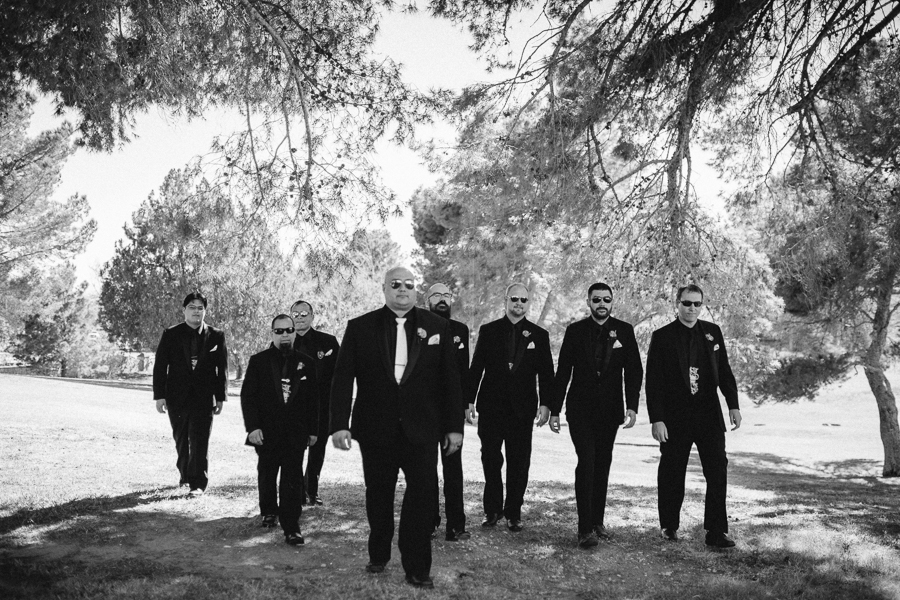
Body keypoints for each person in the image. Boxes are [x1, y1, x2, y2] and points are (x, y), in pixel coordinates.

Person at [330, 267, 464, 589]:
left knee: (423, 496)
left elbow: (450, 380)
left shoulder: (438, 327)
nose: (403, 289)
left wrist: (454, 427)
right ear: (384, 289)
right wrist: (339, 424)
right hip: (376, 428)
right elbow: (343, 378)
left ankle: (417, 567)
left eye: (408, 285)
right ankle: (378, 552)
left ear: (415, 290)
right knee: (378, 494)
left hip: (423, 429)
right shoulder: (360, 327)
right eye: (396, 284)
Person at [645, 284, 741, 548]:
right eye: (687, 303)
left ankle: (716, 531)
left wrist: (733, 405)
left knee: (717, 469)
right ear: (677, 303)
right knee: (672, 471)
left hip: (708, 414)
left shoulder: (713, 333)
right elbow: (653, 381)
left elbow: (724, 371)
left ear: (702, 305)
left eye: (697, 304)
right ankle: (669, 526)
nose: (692, 308)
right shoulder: (662, 336)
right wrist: (657, 419)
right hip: (675, 416)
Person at [551, 283, 643, 548]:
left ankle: (597, 522)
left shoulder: (624, 330)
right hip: (580, 410)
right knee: (587, 463)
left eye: (606, 299)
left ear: (612, 302)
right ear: (588, 302)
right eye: (597, 299)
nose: (602, 303)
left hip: (610, 411)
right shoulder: (575, 331)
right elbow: (563, 371)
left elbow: (634, 370)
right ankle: (584, 530)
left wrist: (632, 405)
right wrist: (555, 409)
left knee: (602, 464)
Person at [469, 283, 554, 532]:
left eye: (523, 300)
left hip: (522, 409)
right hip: (491, 407)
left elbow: (546, 373)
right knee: (490, 458)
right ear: (505, 300)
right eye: (514, 298)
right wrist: (469, 399)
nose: (518, 303)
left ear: (528, 303)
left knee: (519, 462)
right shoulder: (489, 331)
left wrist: (546, 404)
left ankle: (513, 512)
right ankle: (492, 510)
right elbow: (476, 367)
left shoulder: (539, 335)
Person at [240, 314, 319, 545]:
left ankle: (292, 527)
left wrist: (313, 430)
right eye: (279, 331)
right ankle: (268, 510)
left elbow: (314, 400)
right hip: (267, 432)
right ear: (272, 333)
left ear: (294, 332)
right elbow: (248, 397)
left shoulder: (307, 363)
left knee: (292, 478)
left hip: (296, 433)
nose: (285, 335)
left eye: (289, 330)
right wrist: (253, 427)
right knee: (267, 472)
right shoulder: (258, 361)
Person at [153, 292, 228, 496]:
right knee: (181, 439)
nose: (196, 311)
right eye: (192, 307)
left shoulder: (216, 336)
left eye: (200, 308)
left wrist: (220, 397)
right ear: (184, 310)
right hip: (176, 397)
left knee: (200, 440)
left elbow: (222, 369)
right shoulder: (171, 334)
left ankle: (198, 484)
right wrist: (159, 396)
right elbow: (160, 367)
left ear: (205, 311)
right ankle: (185, 476)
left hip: (204, 397)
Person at [426, 282, 471, 542]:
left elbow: (463, 372)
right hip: (425, 409)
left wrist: (465, 404)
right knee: (426, 468)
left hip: (452, 409)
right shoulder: (419, 327)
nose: (442, 299)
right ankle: (428, 521)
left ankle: (456, 525)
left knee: (453, 468)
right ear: (428, 300)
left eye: (446, 295)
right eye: (436, 295)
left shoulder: (460, 330)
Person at [289, 300, 340, 507]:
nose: (300, 317)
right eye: (296, 314)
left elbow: (339, 376)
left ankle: (312, 490)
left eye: (304, 314)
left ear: (312, 316)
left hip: (321, 407)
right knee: (294, 451)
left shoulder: (328, 342)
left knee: (317, 450)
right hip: (293, 408)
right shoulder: (285, 340)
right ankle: (296, 491)